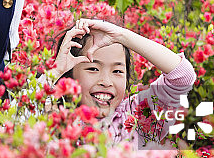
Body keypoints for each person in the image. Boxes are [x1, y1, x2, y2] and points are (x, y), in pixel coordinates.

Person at [49, 17, 196, 148]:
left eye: (117, 71)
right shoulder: (52, 118)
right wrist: (56, 71)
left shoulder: (136, 118)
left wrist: (121, 35)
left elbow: (182, 76)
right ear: (70, 75)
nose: (106, 82)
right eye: (93, 68)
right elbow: (28, 108)